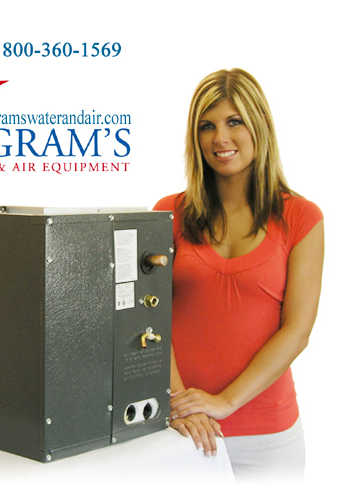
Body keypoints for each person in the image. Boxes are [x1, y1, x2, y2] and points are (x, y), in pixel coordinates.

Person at [153, 68, 324, 481]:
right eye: (207, 126)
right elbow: (150, 317)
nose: (220, 138)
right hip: (183, 430)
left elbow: (297, 330)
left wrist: (226, 401)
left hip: (269, 437)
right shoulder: (168, 213)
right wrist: (179, 402)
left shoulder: (302, 217)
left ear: (259, 124)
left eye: (234, 122)